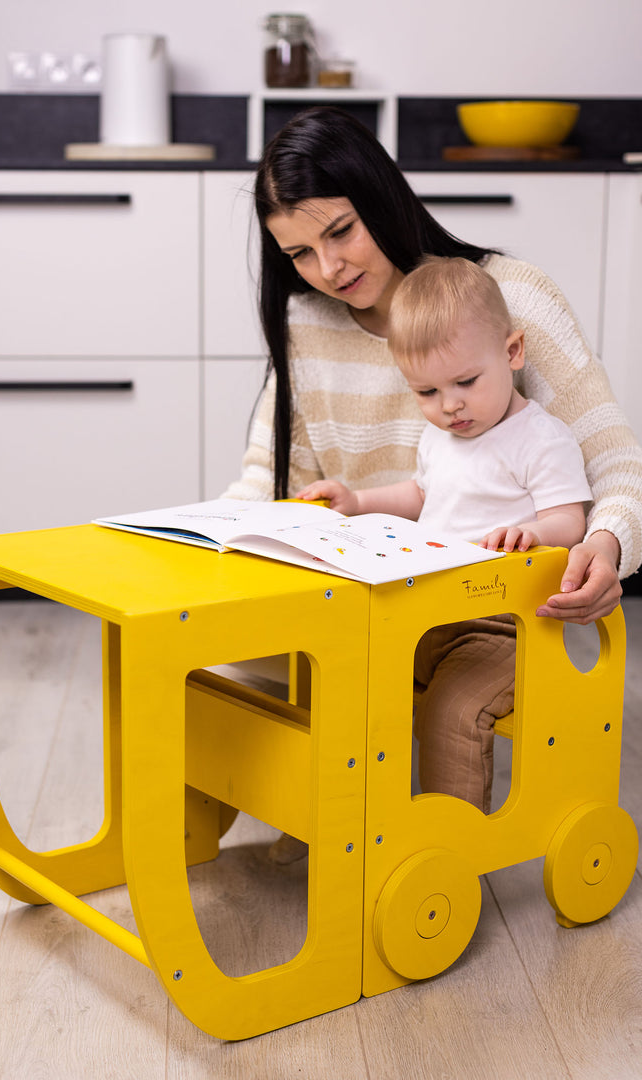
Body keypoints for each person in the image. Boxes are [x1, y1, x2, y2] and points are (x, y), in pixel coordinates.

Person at [219, 106, 642, 857]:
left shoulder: (506, 300)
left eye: (341, 231)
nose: (329, 269)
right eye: (300, 253)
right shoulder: (306, 322)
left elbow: (616, 467)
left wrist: (605, 545)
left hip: (498, 609)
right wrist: (208, 542)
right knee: (218, 659)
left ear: (382, 196)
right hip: (381, 605)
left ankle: (438, 855)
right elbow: (269, 477)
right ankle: (335, 826)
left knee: (448, 703)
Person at [294, 255, 593, 816]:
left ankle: (451, 840)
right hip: (423, 617)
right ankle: (345, 816)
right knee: (343, 674)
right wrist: (357, 503)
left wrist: (531, 532)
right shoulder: (439, 438)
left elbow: (570, 521)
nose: (449, 405)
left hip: (503, 629)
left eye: (466, 382)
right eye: (426, 391)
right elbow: (421, 496)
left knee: (454, 712)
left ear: (512, 352)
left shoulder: (540, 438)